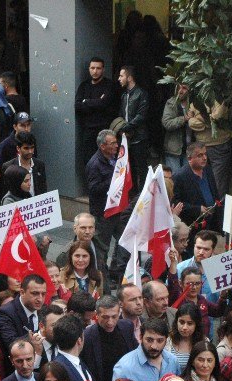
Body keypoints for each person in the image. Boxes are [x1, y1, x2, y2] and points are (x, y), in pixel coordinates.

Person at [112, 317, 180, 381]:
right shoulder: (124, 367)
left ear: (166, 340)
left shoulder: (173, 361)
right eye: (149, 340)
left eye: (160, 341)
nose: (154, 346)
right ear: (141, 337)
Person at [80, 295, 137, 381]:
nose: (110, 322)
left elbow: (136, 355)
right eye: (105, 317)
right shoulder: (87, 337)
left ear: (119, 313)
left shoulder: (127, 327)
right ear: (96, 315)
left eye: (114, 317)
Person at [85, 130, 123, 275]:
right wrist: (113, 180)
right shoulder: (94, 164)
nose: (116, 145)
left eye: (116, 142)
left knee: (124, 240)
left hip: (118, 210)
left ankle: (115, 271)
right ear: (102, 146)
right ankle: (102, 277)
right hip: (103, 214)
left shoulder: (115, 159)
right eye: (112, 143)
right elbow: (93, 189)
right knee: (102, 248)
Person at [74, 57, 115, 165]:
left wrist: (86, 101)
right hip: (88, 131)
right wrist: (97, 102)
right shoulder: (84, 86)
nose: (95, 71)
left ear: (103, 69)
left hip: (104, 131)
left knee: (106, 161)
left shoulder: (109, 85)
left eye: (98, 68)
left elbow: (104, 104)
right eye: (92, 68)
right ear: (89, 69)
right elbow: (78, 106)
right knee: (89, 162)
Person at [172, 142, 219, 229]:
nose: (204, 158)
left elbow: (215, 192)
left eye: (205, 154)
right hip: (194, 224)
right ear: (189, 159)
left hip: (212, 221)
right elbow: (176, 203)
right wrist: (197, 209)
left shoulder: (207, 169)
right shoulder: (180, 176)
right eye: (200, 155)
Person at [118, 65, 149, 187]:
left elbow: (141, 116)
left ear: (129, 78)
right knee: (129, 168)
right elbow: (121, 114)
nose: (119, 78)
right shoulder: (124, 95)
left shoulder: (141, 93)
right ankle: (133, 195)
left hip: (139, 138)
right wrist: (121, 128)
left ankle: (142, 195)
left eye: (121, 76)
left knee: (141, 168)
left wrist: (125, 128)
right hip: (126, 138)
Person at [162, 83, 191, 171]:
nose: (180, 91)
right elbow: (166, 123)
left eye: (184, 88)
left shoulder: (194, 103)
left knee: (188, 180)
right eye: (178, 88)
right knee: (174, 180)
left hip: (190, 150)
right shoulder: (171, 103)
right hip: (174, 149)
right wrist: (184, 119)